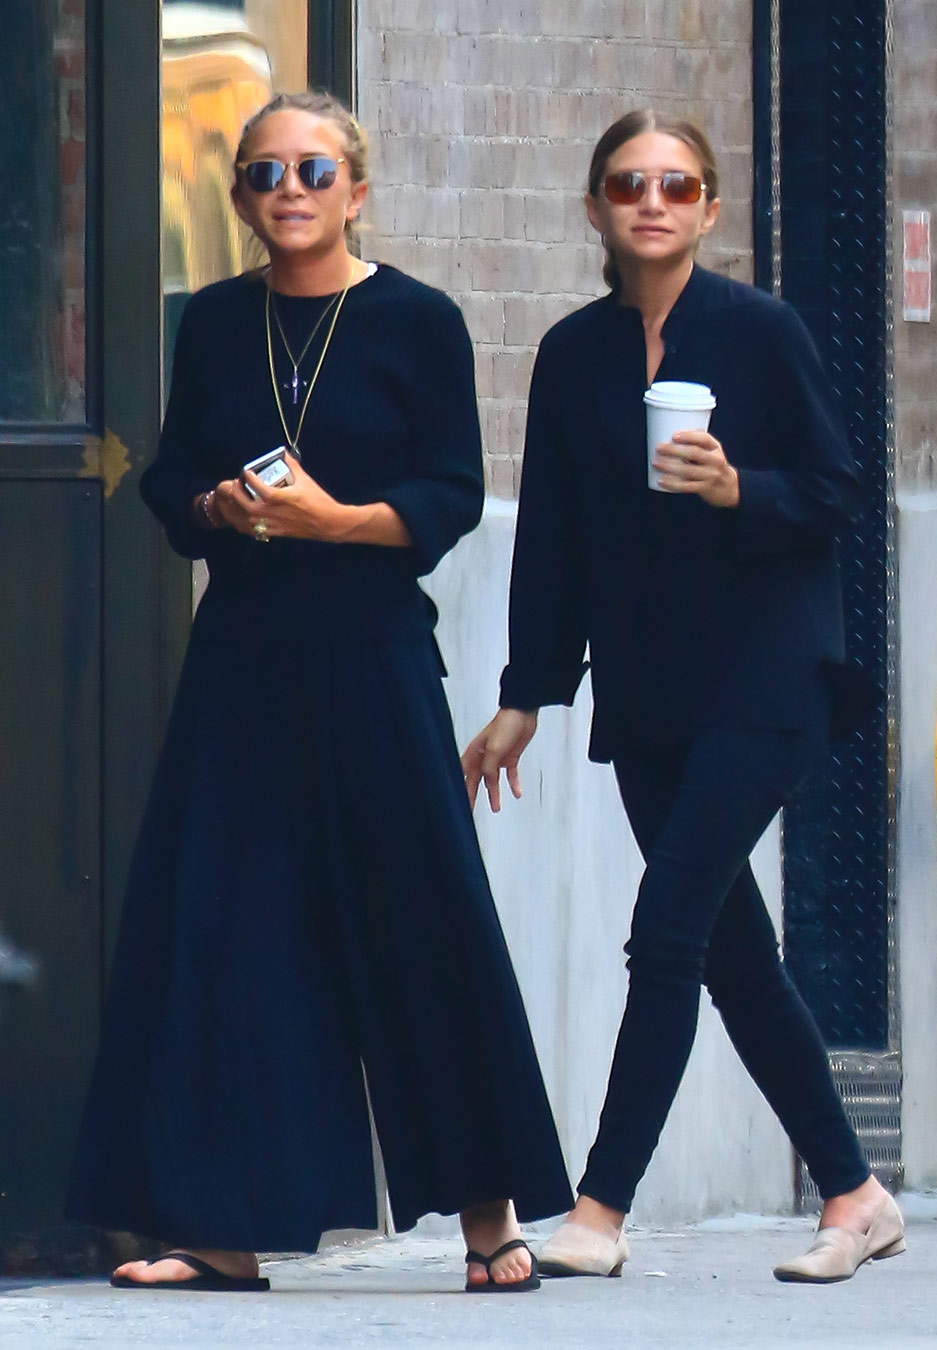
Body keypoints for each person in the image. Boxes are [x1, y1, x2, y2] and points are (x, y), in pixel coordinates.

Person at [67, 90, 572, 1294]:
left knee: (424, 923)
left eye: (310, 169)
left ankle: (488, 1221)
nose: (285, 190)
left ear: (356, 186)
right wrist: (215, 509)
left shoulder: (416, 320)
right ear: (240, 198)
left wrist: (332, 521)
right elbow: (172, 470)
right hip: (243, 657)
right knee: (227, 934)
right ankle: (220, 1230)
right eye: (260, 174)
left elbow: (448, 491)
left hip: (374, 657)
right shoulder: (217, 324)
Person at [462, 110, 904, 1285]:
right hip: (650, 693)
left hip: (768, 681)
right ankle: (856, 1194)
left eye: (675, 185)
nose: (650, 202)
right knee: (732, 957)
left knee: (665, 932)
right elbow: (551, 538)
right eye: (626, 184)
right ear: (597, 207)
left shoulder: (761, 332)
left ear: (708, 209)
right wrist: (526, 695)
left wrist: (736, 491)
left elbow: (838, 488)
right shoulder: (570, 354)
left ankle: (601, 1209)